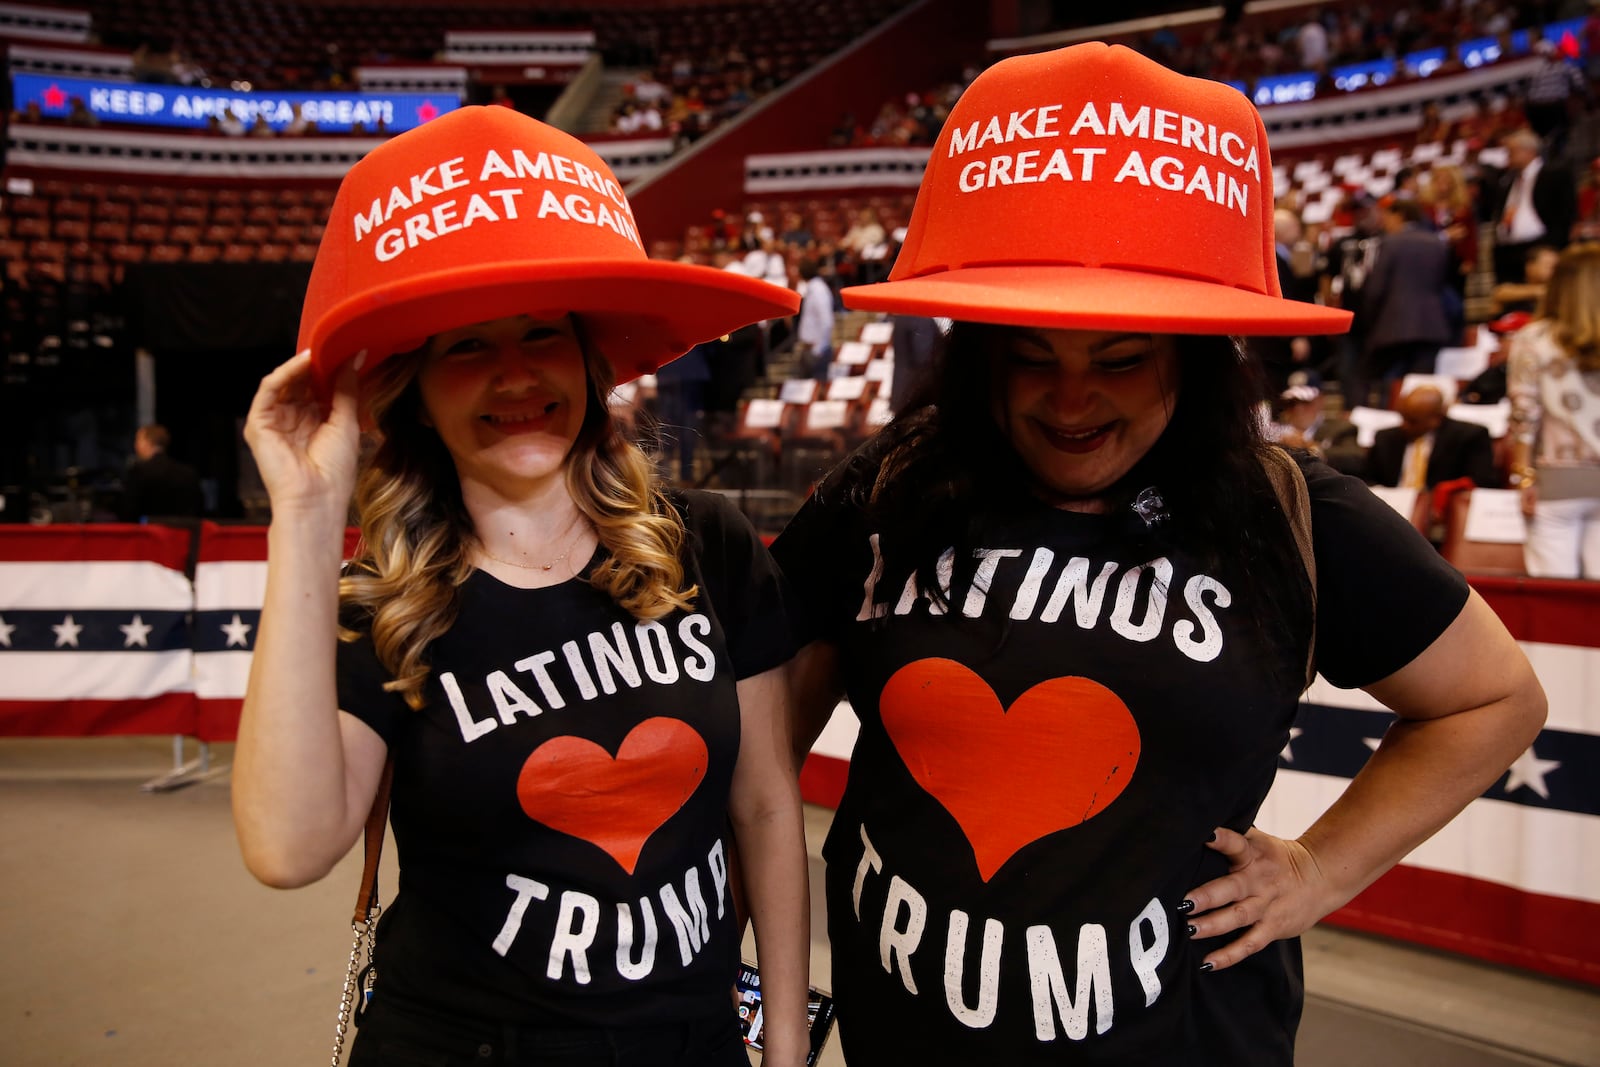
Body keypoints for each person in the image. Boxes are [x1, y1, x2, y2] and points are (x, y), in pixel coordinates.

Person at [770, 44, 1546, 1066]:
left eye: (1121, 359)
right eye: (1029, 356)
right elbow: (759, 746)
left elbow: (1494, 699)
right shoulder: (891, 488)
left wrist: (1322, 868)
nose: (1070, 396)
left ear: (1192, 354)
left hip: (1186, 1036)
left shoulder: (1288, 511)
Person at [232, 106, 811, 1067]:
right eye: (465, 346)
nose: (514, 375)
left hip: (693, 1043)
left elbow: (764, 807)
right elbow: (287, 850)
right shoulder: (386, 601)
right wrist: (304, 510)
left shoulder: (706, 542)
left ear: (587, 357)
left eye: (540, 333)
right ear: (415, 388)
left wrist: (784, 1045)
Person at [1508, 242, 1600, 578]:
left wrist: (1523, 477)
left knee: (1556, 603)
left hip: (1556, 479)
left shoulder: (1533, 339)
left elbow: (1524, 415)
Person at [1361, 196, 1454, 406]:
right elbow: (1442, 284)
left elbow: (1375, 290)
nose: (1384, 222)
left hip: (1394, 326)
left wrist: (1371, 321)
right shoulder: (1437, 242)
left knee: (1390, 389)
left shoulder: (1390, 242)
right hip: (1432, 325)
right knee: (1421, 386)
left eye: (1387, 216)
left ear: (1399, 215)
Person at [1364, 385, 1499, 490]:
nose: (1404, 426)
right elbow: (1367, 479)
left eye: (1413, 421)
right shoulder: (1386, 438)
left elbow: (1482, 481)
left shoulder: (1469, 436)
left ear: (1438, 418)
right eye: (1403, 417)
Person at [1489, 128, 1576, 285]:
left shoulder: (1555, 174)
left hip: (1544, 248)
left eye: (1511, 150)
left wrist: (1555, 245)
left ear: (1529, 151)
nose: (1507, 155)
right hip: (1509, 253)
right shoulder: (1507, 182)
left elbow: (1566, 213)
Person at [118, 423, 202, 521]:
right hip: (181, 534)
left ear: (147, 442)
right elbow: (197, 509)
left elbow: (128, 512)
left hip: (149, 534)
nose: (135, 445)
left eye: (138, 440)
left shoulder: (138, 472)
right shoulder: (188, 473)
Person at [796, 258, 835, 382]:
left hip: (816, 351)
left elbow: (827, 321)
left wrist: (818, 349)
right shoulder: (812, 289)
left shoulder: (819, 291)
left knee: (817, 390)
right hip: (809, 349)